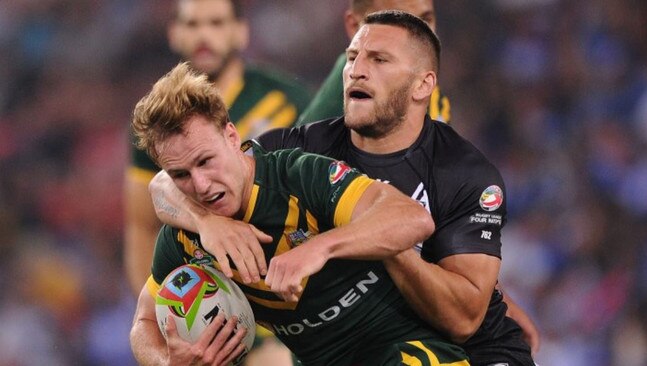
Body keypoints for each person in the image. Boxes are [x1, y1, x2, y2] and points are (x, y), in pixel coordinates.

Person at [151, 11, 538, 365]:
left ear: (424, 85)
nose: (356, 71)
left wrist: (371, 243)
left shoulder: (464, 173)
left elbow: (464, 317)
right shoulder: (299, 152)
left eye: (379, 60)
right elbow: (172, 177)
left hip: (472, 348)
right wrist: (207, 222)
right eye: (352, 58)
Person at [129, 62, 470, 366]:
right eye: (181, 175)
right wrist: (167, 362)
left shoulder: (297, 176)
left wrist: (318, 249)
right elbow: (143, 323)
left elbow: (412, 219)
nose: (201, 184)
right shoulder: (186, 238)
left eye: (206, 161)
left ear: (232, 137)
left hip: (403, 348)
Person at [300, 0, 540, 356]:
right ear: (354, 26)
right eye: (394, 17)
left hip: (421, 310)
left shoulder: (424, 95)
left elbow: (444, 207)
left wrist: (488, 291)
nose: (412, 32)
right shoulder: (345, 102)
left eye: (424, 20)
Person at [124, 0, 312, 296]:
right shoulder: (155, 125)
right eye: (192, 24)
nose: (203, 36)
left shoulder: (291, 101)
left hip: (290, 282)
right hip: (212, 293)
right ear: (174, 33)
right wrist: (157, 312)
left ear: (241, 32)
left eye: (216, 23)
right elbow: (143, 225)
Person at [297, 0, 450, 125]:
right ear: (354, 27)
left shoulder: (430, 90)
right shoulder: (341, 105)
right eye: (396, 23)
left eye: (426, 20)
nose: (418, 36)